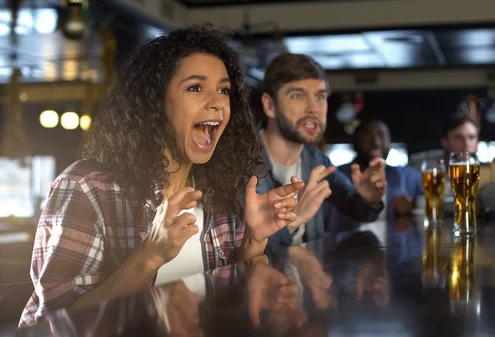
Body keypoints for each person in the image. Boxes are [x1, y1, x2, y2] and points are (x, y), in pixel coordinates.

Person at [19, 25, 304, 327]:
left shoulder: (222, 190)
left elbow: (228, 307)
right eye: (195, 87)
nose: (217, 102)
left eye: (224, 90)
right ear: (154, 102)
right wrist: (150, 256)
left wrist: (253, 242)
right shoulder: (86, 187)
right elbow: (55, 325)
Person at [256, 53, 386, 253]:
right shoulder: (239, 163)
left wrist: (369, 199)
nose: (313, 108)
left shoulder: (315, 158)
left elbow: (356, 208)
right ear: (270, 105)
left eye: (320, 96)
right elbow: (231, 255)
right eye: (297, 95)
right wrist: (294, 220)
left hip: (308, 282)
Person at [325, 119, 423, 234]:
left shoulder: (409, 176)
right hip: (345, 248)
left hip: (393, 248)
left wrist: (414, 206)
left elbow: (436, 204)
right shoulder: (335, 176)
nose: (376, 142)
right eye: (368, 135)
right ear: (355, 143)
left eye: (381, 135)